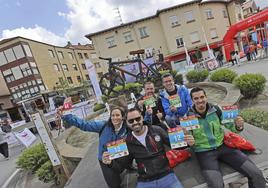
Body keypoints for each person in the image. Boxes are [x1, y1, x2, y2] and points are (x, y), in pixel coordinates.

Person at [187, 87, 266, 188]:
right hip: (204, 152)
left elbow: (232, 127)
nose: (200, 100)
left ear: (206, 97)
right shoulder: (188, 117)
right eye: (196, 98)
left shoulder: (216, 110)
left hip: (223, 146)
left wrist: (238, 125)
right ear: (192, 100)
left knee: (256, 174)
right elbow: (186, 138)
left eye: (202, 97)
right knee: (216, 186)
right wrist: (189, 142)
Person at [102, 107, 195, 188]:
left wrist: (187, 142)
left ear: (142, 117)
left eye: (137, 119)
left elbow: (174, 145)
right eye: (131, 121)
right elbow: (121, 166)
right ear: (126, 122)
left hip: (166, 175)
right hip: (145, 181)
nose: (135, 122)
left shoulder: (157, 130)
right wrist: (110, 163)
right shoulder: (127, 142)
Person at [57, 106, 129, 188]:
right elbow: (84, 125)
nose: (115, 118)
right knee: (114, 184)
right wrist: (66, 116)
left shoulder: (127, 128)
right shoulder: (103, 126)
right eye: (113, 115)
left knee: (123, 175)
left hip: (121, 158)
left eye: (117, 115)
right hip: (105, 160)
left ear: (123, 117)